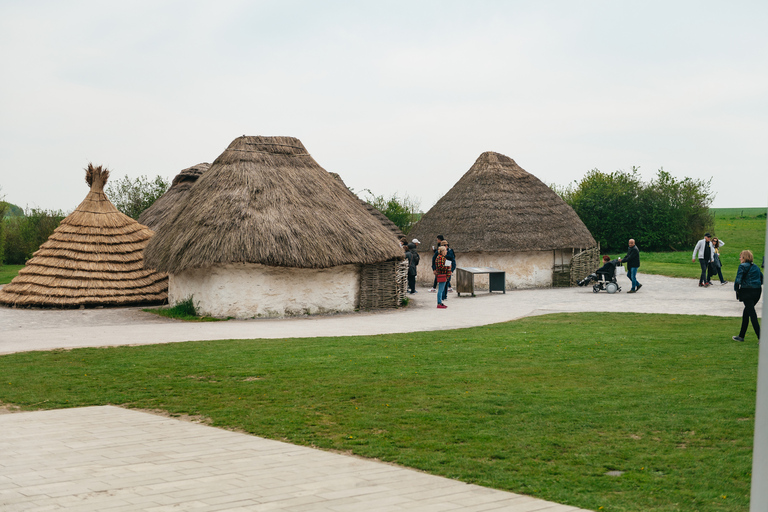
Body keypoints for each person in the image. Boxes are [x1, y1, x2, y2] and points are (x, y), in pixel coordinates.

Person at [732, 249, 763, 342]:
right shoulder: (756, 267)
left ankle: (761, 338)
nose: (739, 258)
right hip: (757, 292)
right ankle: (741, 336)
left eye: (741, 257)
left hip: (747, 292)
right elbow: (762, 279)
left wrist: (736, 290)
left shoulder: (742, 266)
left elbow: (738, 280)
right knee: (747, 312)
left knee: (752, 314)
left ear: (744, 258)